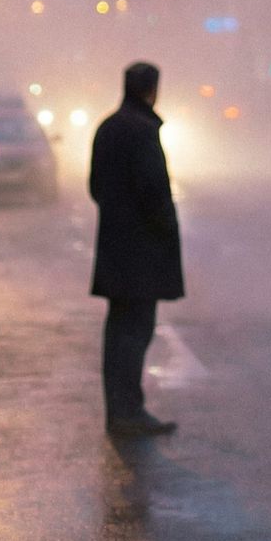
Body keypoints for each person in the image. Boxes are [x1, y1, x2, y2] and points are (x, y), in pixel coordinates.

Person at [89, 61, 184, 437]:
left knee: (118, 331)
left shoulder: (108, 128)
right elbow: (154, 193)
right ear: (152, 90)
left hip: (115, 247)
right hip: (142, 252)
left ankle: (118, 409)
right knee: (135, 331)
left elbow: (96, 187)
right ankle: (129, 411)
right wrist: (165, 229)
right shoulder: (143, 131)